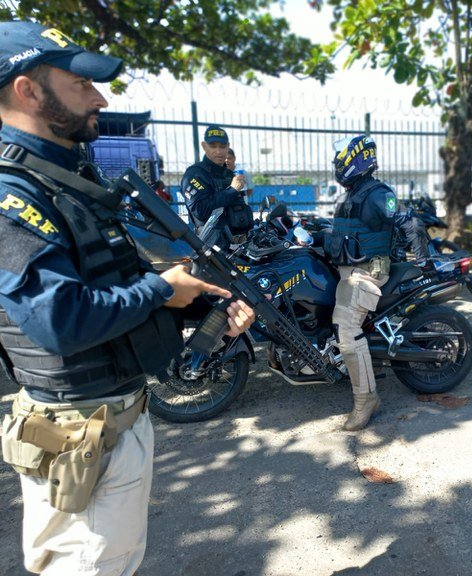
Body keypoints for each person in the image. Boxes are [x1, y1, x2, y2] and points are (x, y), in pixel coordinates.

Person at [0, 21, 255, 575]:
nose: (101, 97)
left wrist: (203, 308)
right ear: (27, 89)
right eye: (81, 84)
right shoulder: (11, 194)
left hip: (114, 420)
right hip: (76, 437)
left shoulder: (67, 179)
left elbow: (116, 284)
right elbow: (60, 319)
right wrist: (165, 287)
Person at [326, 135, 397, 431]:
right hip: (348, 267)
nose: (337, 165)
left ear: (356, 160)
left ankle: (366, 398)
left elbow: (403, 220)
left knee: (347, 328)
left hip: (367, 271)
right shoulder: (353, 194)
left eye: (341, 159)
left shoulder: (378, 194)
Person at [181, 125, 252, 242]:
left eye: (222, 146)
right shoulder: (195, 174)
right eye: (213, 146)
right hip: (214, 247)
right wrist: (232, 191)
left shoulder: (229, 174)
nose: (218, 151)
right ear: (204, 146)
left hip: (241, 244)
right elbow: (201, 211)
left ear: (228, 147)